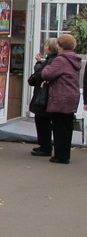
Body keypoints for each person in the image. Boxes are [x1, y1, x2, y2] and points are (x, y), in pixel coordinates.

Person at [41, 33, 81, 164]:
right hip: (71, 95)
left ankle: (60, 156)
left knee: (59, 127)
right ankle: (64, 154)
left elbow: (47, 74)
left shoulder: (61, 60)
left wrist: (46, 65)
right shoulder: (74, 59)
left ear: (60, 46)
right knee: (67, 127)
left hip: (61, 96)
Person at [27, 38, 58, 157]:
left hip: (44, 95)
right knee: (41, 121)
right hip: (43, 94)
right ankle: (44, 145)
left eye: (46, 45)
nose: (45, 47)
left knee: (42, 121)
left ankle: (45, 147)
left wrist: (38, 63)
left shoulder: (52, 60)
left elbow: (40, 75)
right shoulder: (50, 60)